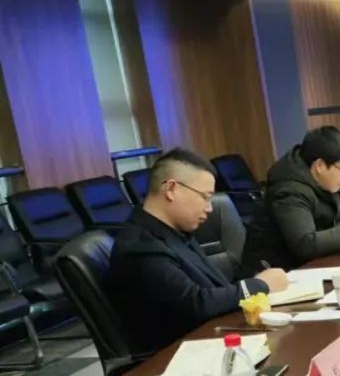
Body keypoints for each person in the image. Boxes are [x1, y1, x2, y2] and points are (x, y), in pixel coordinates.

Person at [107, 148, 288, 353]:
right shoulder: (140, 246)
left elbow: (216, 286)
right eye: (205, 197)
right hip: (177, 356)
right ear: (171, 189)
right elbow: (197, 304)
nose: (209, 208)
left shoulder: (174, 232)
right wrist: (259, 285)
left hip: (210, 337)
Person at [242, 126, 340, 271]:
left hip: (309, 266)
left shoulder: (328, 182)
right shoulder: (289, 191)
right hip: (271, 274)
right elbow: (305, 244)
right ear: (320, 165)